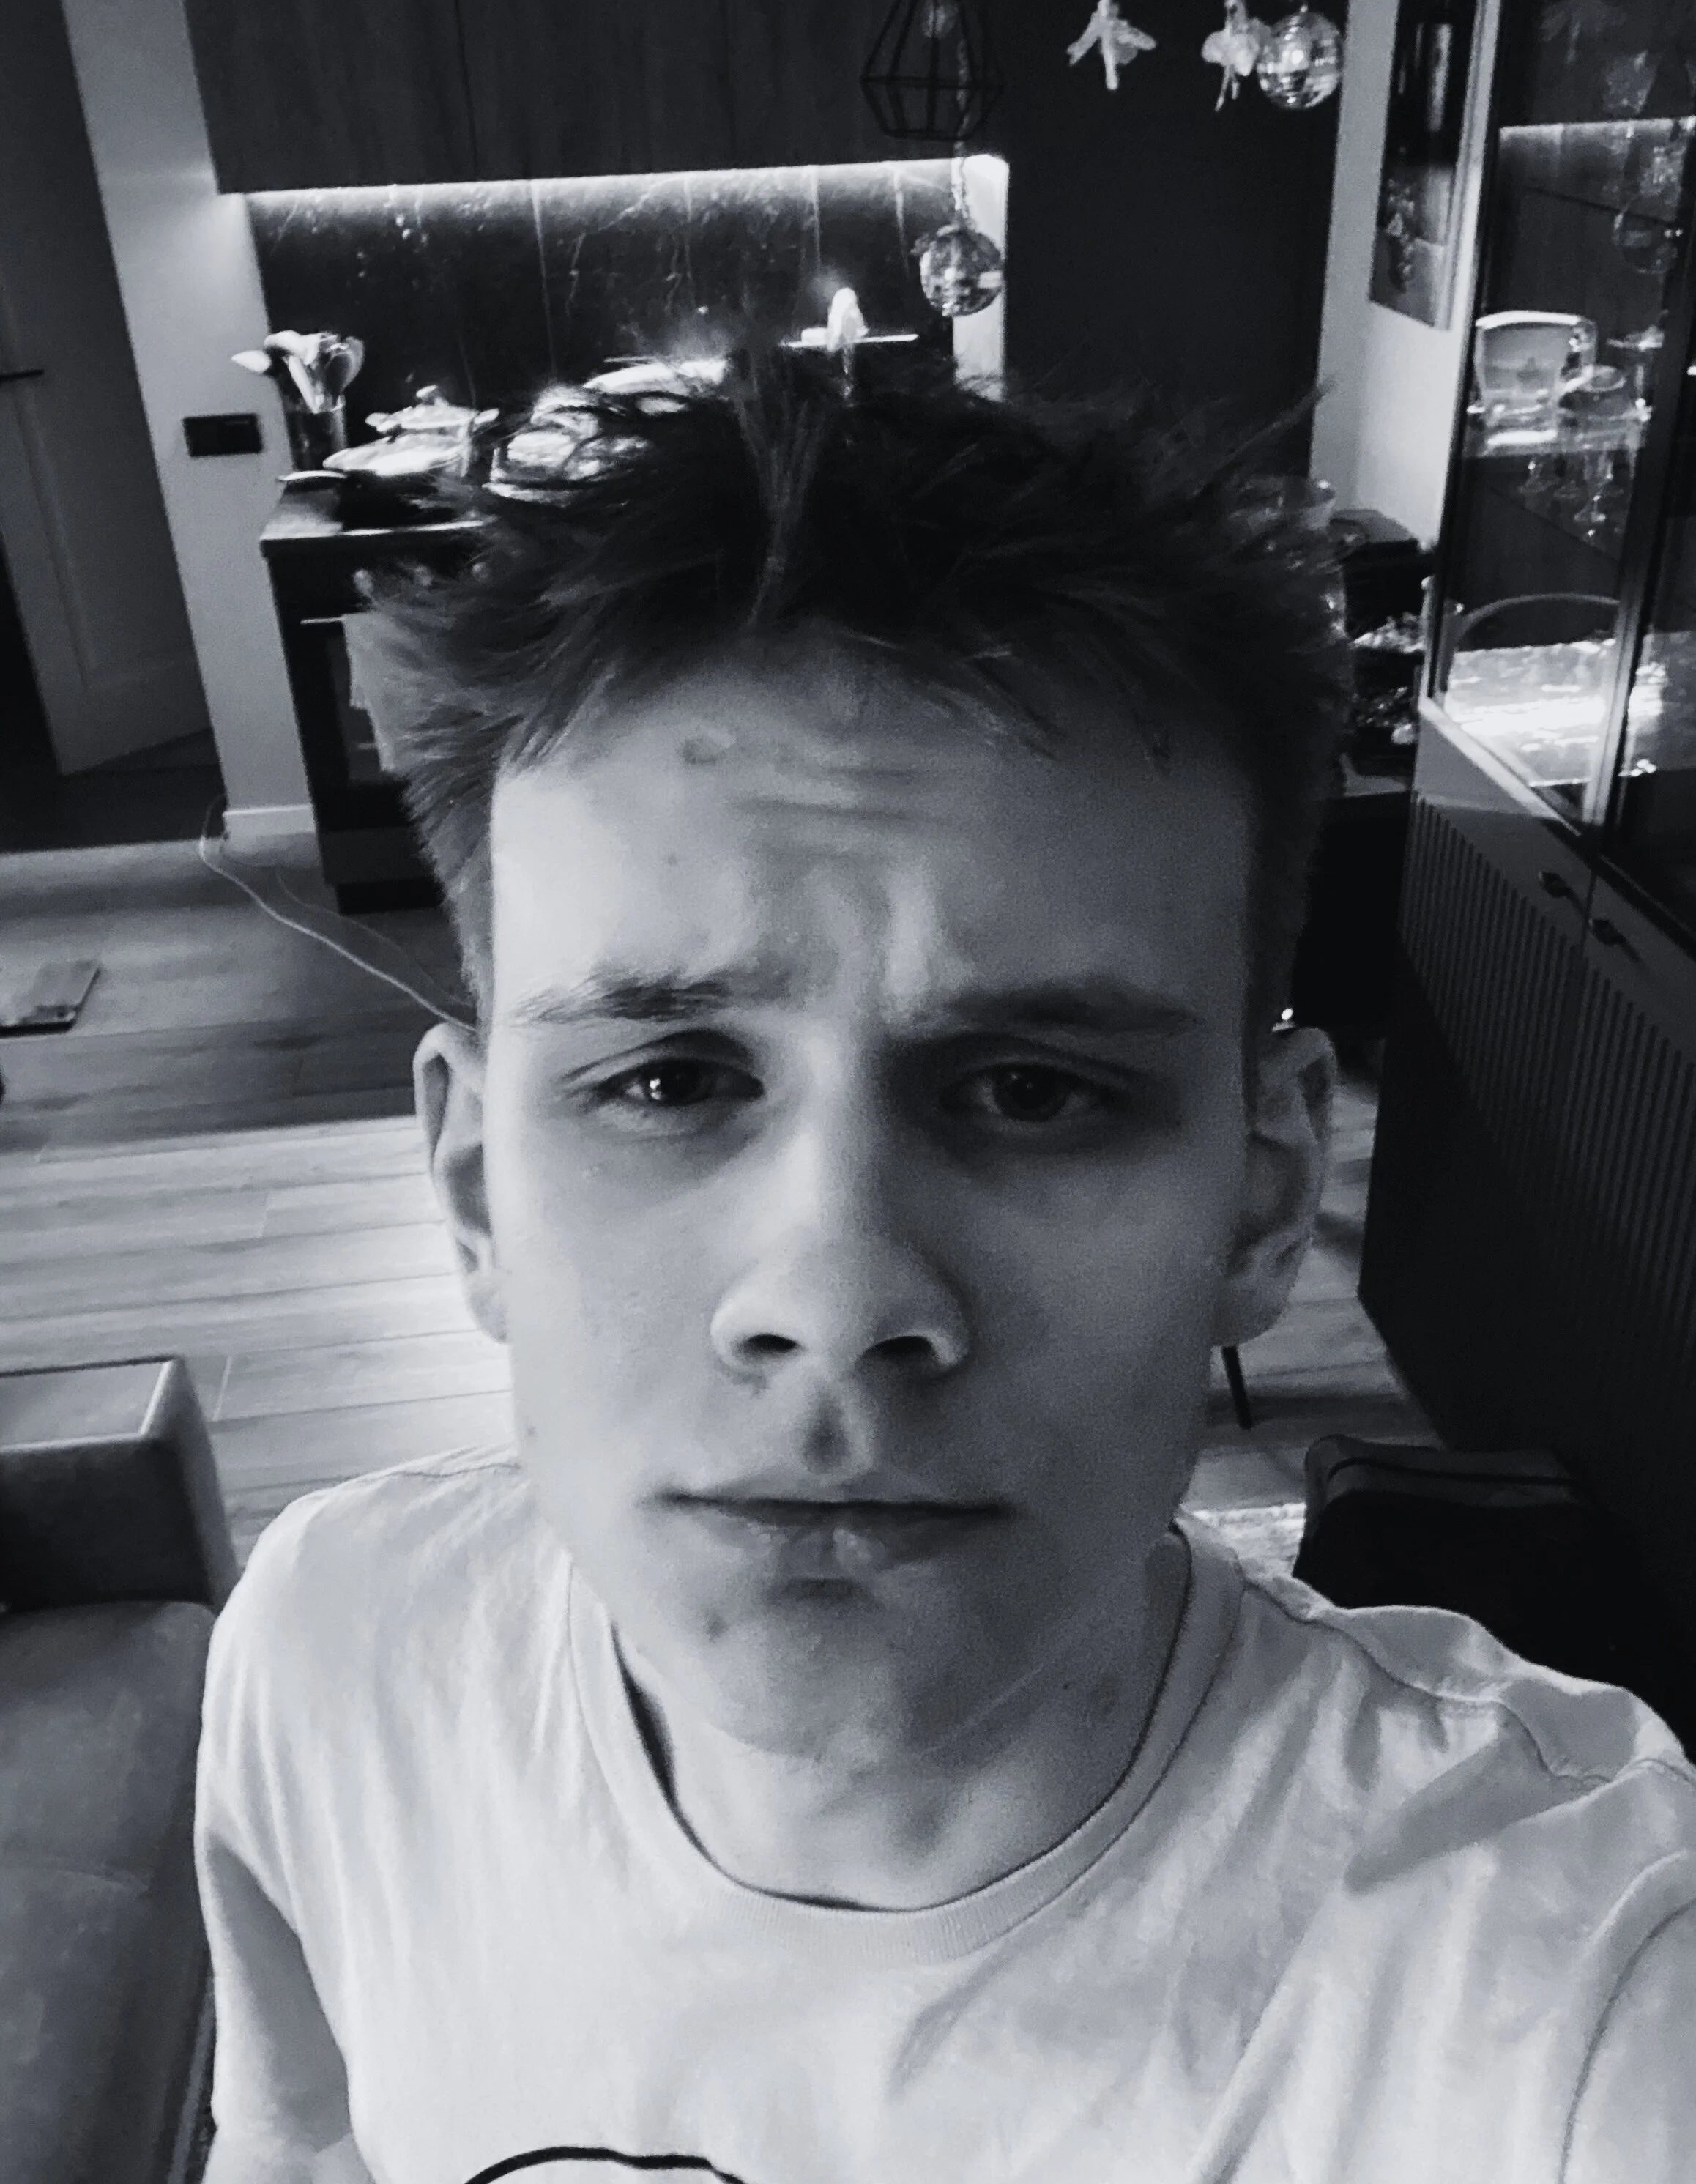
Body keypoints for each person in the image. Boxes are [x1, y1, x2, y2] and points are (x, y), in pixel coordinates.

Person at [195, 354, 1695, 2184]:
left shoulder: (1580, 1993)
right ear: (473, 1184)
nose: (834, 1299)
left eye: (1035, 1088)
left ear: (1264, 1192)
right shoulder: (333, 1650)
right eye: (668, 1080)